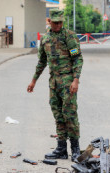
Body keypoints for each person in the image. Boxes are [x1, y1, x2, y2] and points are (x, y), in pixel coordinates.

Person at [27, 9, 83, 162]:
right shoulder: (45, 39)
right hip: (54, 83)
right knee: (58, 115)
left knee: (70, 114)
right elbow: (42, 62)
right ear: (49, 21)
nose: (58, 25)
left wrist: (76, 80)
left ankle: (75, 149)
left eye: (60, 22)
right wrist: (33, 81)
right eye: (55, 22)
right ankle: (61, 148)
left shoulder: (69, 36)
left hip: (68, 82)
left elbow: (78, 59)